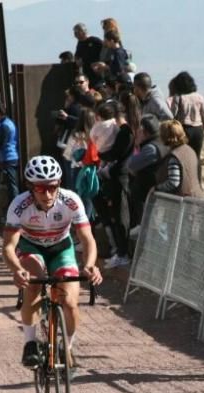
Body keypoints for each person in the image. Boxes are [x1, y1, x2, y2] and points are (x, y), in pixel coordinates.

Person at [2, 155, 104, 368]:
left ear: (59, 184)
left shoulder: (70, 200)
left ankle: (66, 347)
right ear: (31, 188)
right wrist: (17, 269)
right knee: (33, 284)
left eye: (52, 187)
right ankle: (30, 342)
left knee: (70, 302)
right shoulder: (19, 205)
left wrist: (90, 265)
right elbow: (9, 246)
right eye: (40, 189)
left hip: (61, 248)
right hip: (32, 248)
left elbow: (87, 239)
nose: (47, 194)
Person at [95, 100, 135, 269]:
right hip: (116, 176)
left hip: (120, 177)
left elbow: (117, 154)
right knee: (116, 215)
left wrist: (100, 153)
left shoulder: (126, 131)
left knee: (120, 216)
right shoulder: (124, 131)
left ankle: (122, 253)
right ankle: (119, 251)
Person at [126, 114, 166, 230]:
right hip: (152, 190)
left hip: (147, 192)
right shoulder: (159, 141)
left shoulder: (151, 148)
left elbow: (131, 165)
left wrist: (137, 144)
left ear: (144, 131)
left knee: (149, 225)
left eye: (139, 129)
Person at [167, 71, 204, 178]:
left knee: (183, 157)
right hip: (198, 130)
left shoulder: (179, 97)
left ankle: (186, 181)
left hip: (185, 130)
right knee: (197, 157)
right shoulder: (199, 97)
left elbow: (172, 114)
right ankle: (198, 183)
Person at [155, 120, 203, 198]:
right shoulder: (189, 149)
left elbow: (174, 182)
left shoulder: (174, 157)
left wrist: (156, 188)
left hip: (184, 203)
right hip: (196, 197)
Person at [0, 104, 20, 213]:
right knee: (11, 183)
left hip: (8, 156)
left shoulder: (4, 125)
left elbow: (2, 143)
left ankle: (15, 208)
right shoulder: (10, 122)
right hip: (13, 155)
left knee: (12, 185)